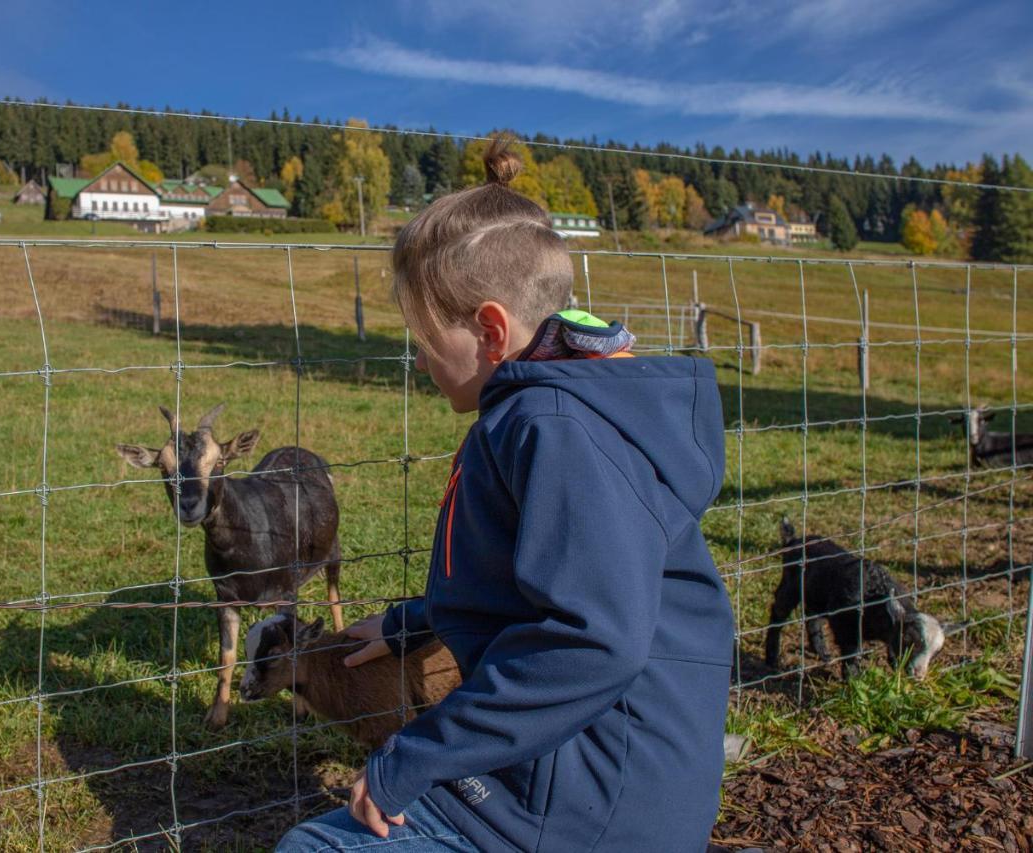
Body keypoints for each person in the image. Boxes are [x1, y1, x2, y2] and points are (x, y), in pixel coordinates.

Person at [276, 137, 733, 853]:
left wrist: (414, 756)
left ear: (490, 329)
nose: (420, 358)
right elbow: (559, 574)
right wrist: (415, 620)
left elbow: (593, 639)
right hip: (579, 778)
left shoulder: (551, 426)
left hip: (586, 808)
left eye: (424, 338)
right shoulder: (553, 409)